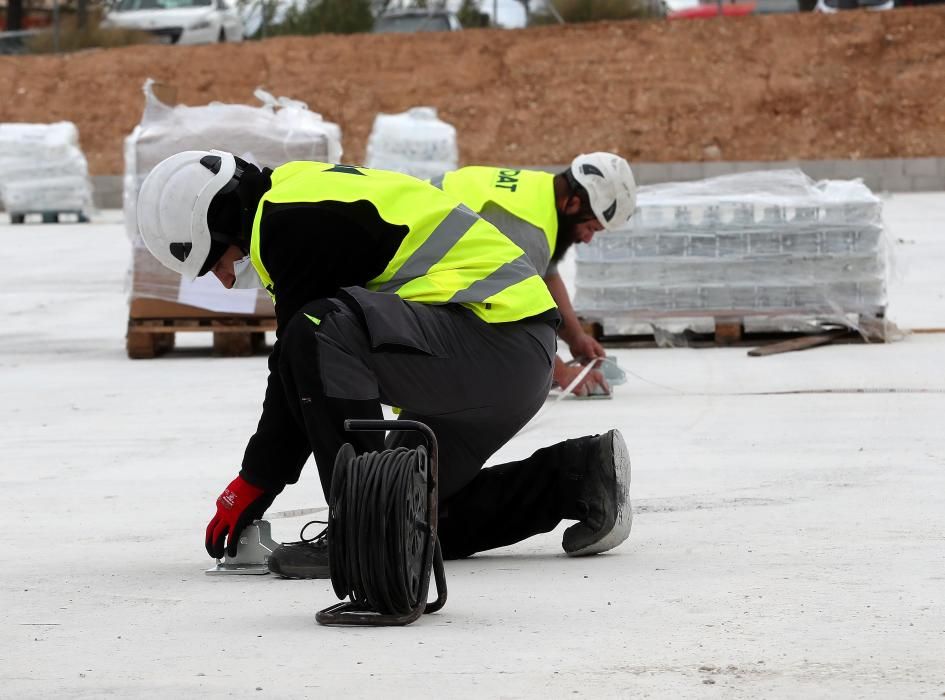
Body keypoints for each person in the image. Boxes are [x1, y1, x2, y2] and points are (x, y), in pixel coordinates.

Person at [136, 150, 633, 580]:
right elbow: (303, 377)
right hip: (505, 356)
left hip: (491, 341)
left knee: (317, 329)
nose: (224, 281)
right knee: (415, 519)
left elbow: (300, 358)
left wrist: (255, 480)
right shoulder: (299, 189)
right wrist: (261, 477)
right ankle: (577, 476)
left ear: (219, 222)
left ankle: (361, 534)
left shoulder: (287, 221)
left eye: (213, 264)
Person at [432, 153, 636, 398]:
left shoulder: (540, 191)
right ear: (573, 204)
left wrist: (576, 337)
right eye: (591, 227)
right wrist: (563, 373)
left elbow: (545, 272)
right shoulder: (528, 232)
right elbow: (513, 323)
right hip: (399, 272)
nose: (588, 239)